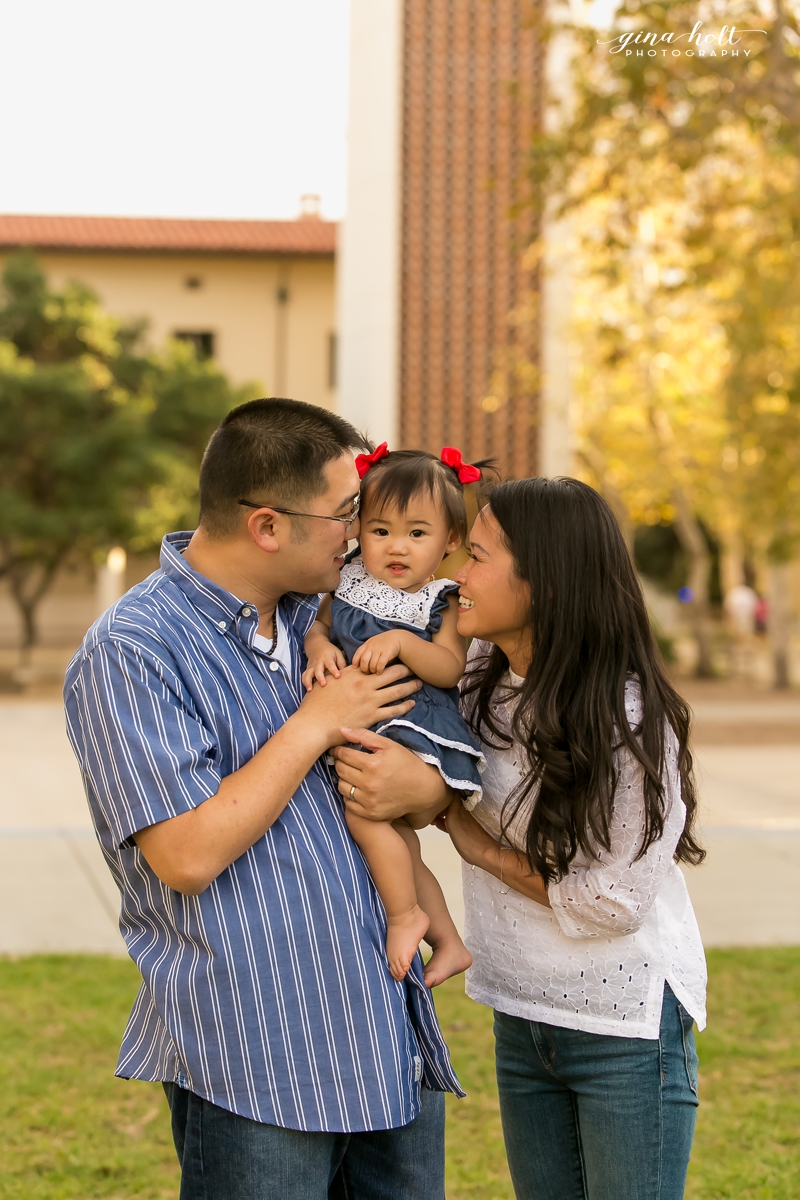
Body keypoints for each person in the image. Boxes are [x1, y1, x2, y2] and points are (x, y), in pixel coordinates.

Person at [64, 398, 464, 1200]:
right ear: (268, 527)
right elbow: (185, 854)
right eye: (346, 511)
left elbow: (407, 780)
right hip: (261, 1059)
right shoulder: (133, 651)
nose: (359, 533)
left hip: (384, 1032)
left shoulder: (325, 621)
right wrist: (316, 722)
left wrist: (424, 790)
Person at [334, 477, 708, 1200]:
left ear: (544, 579)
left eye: (475, 556)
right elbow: (423, 776)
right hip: (521, 1009)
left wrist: (474, 844)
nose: (457, 575)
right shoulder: (476, 673)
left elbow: (614, 902)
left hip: (623, 1026)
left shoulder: (626, 717)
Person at [303, 445, 484, 987]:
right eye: (380, 531)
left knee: (364, 816)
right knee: (398, 846)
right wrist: (317, 649)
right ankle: (449, 940)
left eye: (417, 533)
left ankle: (406, 917)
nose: (396, 547)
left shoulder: (440, 600)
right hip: (366, 726)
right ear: (358, 529)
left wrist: (404, 640)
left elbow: (450, 668)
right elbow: (318, 626)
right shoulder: (347, 580)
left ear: (451, 539)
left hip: (413, 727)